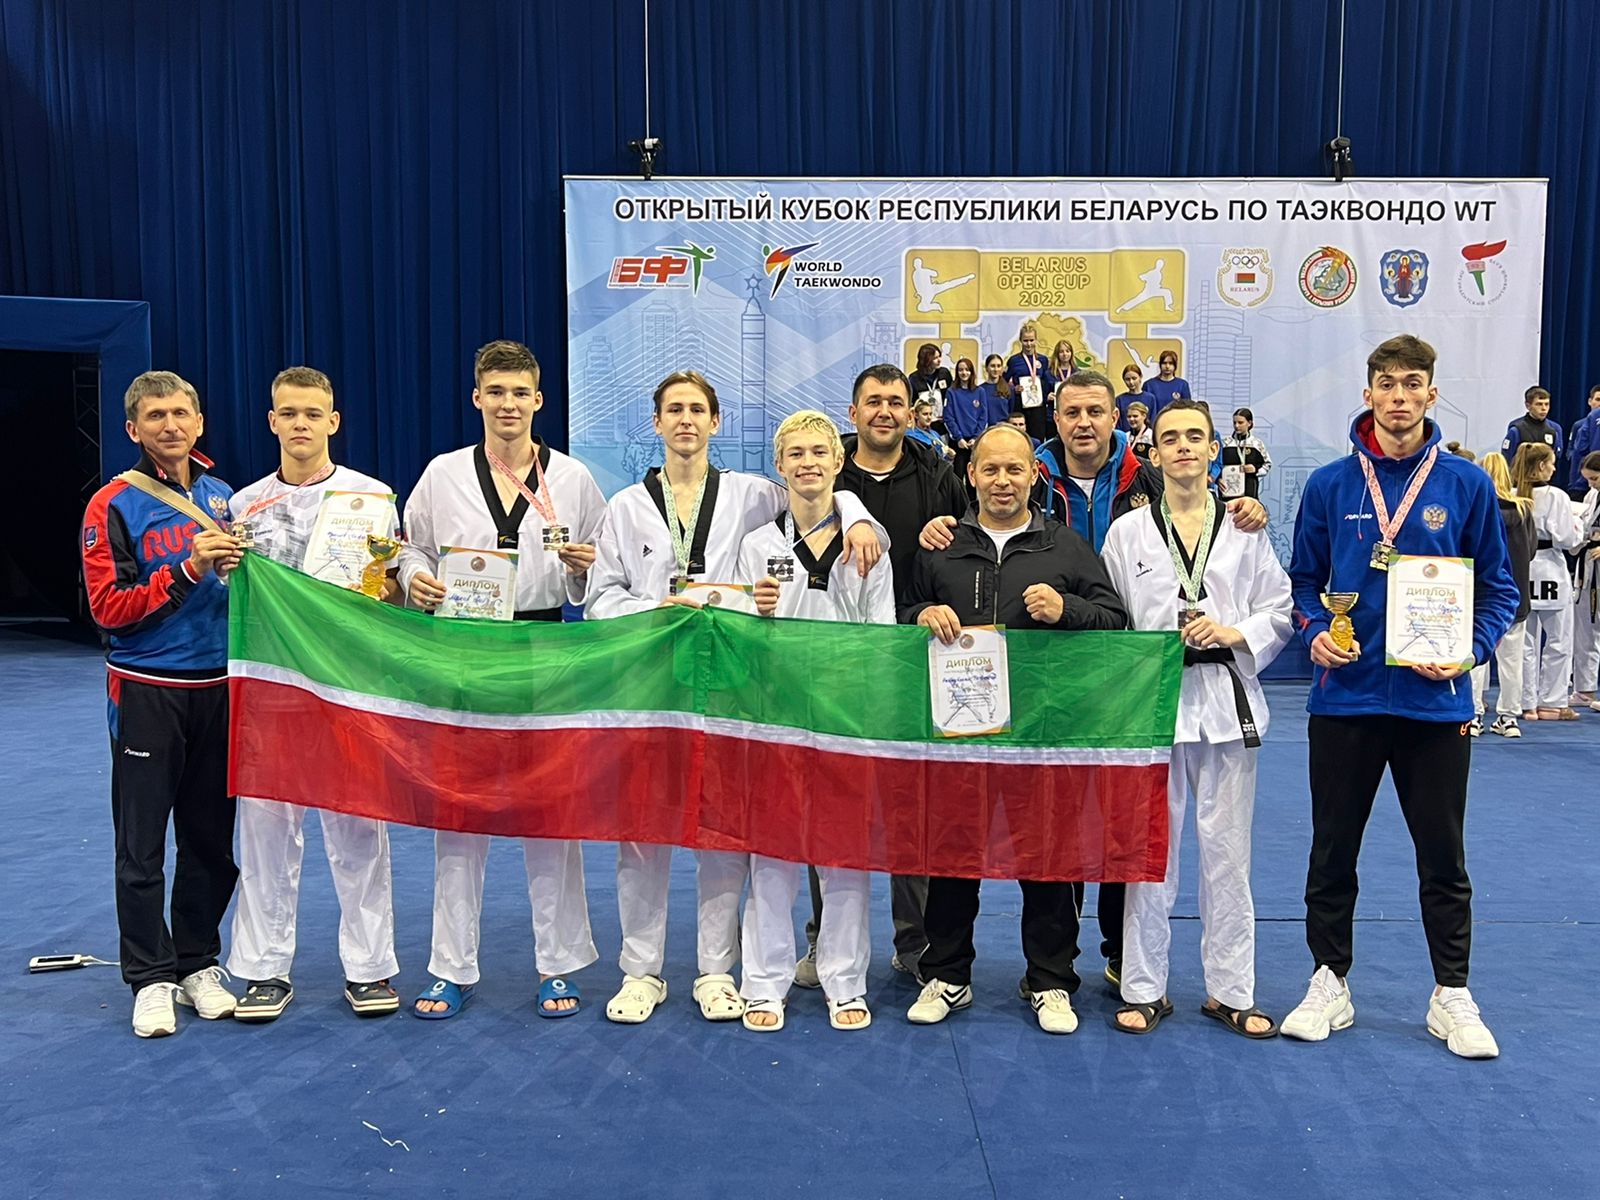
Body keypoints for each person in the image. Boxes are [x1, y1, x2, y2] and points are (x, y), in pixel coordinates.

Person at [928, 369, 1267, 986]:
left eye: (1095, 412)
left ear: (1118, 420)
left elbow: (1112, 606)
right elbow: (915, 598)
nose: (1083, 423)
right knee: (1051, 830)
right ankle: (989, 969)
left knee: (1114, 829)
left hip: (1123, 683)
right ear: (1054, 422)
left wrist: (1243, 507)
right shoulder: (1035, 486)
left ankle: (1116, 959)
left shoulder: (1148, 485)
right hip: (1056, 687)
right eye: (1071, 412)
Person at [585, 370, 883, 1024]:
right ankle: (640, 971)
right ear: (657, 423)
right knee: (643, 831)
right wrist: (658, 609)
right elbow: (600, 600)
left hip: (730, 689)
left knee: (722, 832)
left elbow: (819, 490)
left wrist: (861, 517)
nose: (686, 420)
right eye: (674, 410)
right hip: (651, 684)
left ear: (715, 422)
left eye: (697, 409)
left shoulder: (752, 495)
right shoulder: (625, 507)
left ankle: (717, 970)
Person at [1284, 334, 1518, 1059]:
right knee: (1332, 852)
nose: (1398, 396)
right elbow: (1303, 582)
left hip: (1435, 705)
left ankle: (1452, 993)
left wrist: (1469, 651)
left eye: (1412, 383)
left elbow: (1499, 590)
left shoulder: (1466, 484)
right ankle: (1329, 980)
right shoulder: (1329, 484)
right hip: (1346, 700)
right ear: (1368, 394)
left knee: (1444, 858)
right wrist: (1316, 632)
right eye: (1386, 384)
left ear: (1431, 394)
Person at [398, 340, 606, 1020]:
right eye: (496, 392)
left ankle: (558, 962)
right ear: (477, 398)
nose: (508, 404)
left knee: (550, 810)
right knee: (460, 811)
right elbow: (410, 547)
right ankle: (449, 966)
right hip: (467, 645)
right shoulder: (442, 473)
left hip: (544, 643)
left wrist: (582, 569)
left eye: (520, 393)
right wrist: (415, 579)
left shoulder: (573, 477)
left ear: (539, 400)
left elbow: (601, 568)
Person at [901, 423, 1129, 1034]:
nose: (1002, 481)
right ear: (971, 475)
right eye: (991, 469)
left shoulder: (1067, 548)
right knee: (952, 857)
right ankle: (947, 974)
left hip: (1042, 732)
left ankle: (1051, 980)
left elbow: (1115, 620)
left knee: (1048, 857)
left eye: (1014, 469)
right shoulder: (940, 546)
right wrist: (922, 613)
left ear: (1034, 475)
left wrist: (1066, 608)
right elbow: (898, 614)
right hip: (957, 733)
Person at [1101, 399, 1293, 1038]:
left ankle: (1231, 991)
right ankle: (1142, 986)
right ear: (1153, 452)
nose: (1183, 446)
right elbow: (1112, 618)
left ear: (1214, 450)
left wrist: (1233, 631)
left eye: (1194, 437)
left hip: (1226, 700)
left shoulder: (1244, 526)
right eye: (1170, 438)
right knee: (1151, 851)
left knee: (1228, 852)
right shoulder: (1127, 532)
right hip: (1154, 704)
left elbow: (1279, 608)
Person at [227, 368, 402, 1022]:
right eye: (288, 413)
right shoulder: (241, 506)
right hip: (271, 686)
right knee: (267, 829)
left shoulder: (373, 497)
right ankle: (263, 969)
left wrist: (382, 587)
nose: (300, 424)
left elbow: (390, 588)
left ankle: (371, 968)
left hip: (346, 682)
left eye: (312, 413)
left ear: (334, 421)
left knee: (358, 827)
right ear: (271, 421)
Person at [80, 370, 243, 1037]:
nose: (170, 425)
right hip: (148, 689)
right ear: (133, 429)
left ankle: (197, 961)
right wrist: (187, 569)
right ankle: (149, 977)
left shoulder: (222, 496)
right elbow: (107, 609)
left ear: (199, 422)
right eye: (155, 416)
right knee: (142, 843)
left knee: (210, 839)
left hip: (219, 689)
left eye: (180, 413)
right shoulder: (112, 504)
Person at [795, 363, 966, 990]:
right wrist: (853, 510)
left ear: (911, 412)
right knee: (829, 806)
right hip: (833, 668)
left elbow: (969, 543)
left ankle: (914, 941)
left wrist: (945, 533)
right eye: (873, 402)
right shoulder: (827, 465)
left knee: (909, 805)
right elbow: (792, 505)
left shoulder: (939, 476)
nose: (885, 412)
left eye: (896, 402)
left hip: (912, 658)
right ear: (853, 411)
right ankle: (823, 939)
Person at [734, 410, 894, 1033]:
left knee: (845, 855)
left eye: (818, 453)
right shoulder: (757, 545)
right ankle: (764, 982)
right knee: (772, 854)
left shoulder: (868, 543)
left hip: (845, 715)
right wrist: (752, 611)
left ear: (838, 462)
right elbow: (738, 639)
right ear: (779, 466)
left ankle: (844, 980)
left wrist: (870, 714)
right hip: (776, 714)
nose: (807, 463)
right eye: (795, 454)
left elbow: (882, 636)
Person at [1510, 442, 1585, 721]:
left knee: (1523, 642)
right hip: (1551, 568)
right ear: (1541, 465)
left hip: (1521, 569)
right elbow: (1567, 538)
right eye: (1551, 463)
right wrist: (1579, 528)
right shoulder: (1556, 496)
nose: (1554, 468)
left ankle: (1525, 702)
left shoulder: (1512, 495)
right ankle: (1552, 703)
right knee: (1559, 641)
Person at [1471, 452, 1536, 738]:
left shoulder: (1478, 510)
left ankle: (1474, 715)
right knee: (1512, 660)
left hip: (1480, 594)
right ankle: (1509, 717)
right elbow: (1531, 550)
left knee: (1476, 656)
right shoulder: (1524, 510)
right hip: (1515, 595)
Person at [1570, 452, 1600, 707]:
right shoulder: (1591, 496)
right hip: (1588, 565)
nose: (1591, 484)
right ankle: (1584, 690)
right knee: (1585, 631)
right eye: (1588, 480)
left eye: (1595, 479)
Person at [1005, 320, 1056, 443]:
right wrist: (1014, 389)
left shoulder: (1043, 360)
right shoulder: (1014, 360)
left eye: (1031, 340)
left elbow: (1047, 382)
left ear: (1036, 340)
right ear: (1020, 341)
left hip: (1038, 406)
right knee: (1018, 439)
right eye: (1025, 340)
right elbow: (1003, 382)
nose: (1028, 344)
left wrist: (1048, 395)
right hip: (1020, 405)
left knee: (1037, 440)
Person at [1502, 385, 1565, 470]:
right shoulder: (1516, 429)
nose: (1544, 408)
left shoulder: (1555, 429)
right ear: (1528, 406)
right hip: (1521, 476)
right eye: (1539, 404)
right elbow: (1507, 458)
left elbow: (1557, 456)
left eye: (1547, 404)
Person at [944, 357, 986, 482]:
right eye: (961, 370)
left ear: (971, 372)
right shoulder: (951, 392)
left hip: (974, 442)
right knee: (957, 478)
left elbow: (983, 417)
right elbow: (948, 417)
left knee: (973, 478)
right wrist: (958, 438)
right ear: (957, 372)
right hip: (958, 442)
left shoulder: (980, 392)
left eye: (967, 370)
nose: (964, 373)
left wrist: (976, 438)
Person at [1221, 409, 1273, 501]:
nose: (1237, 426)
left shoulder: (1256, 444)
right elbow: (1216, 465)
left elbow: (1267, 464)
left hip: (1249, 494)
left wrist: (1255, 469)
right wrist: (1218, 479)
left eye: (1240, 422)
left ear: (1249, 423)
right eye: (1234, 423)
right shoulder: (1225, 443)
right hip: (1227, 494)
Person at [907, 342, 953, 431]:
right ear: (926, 360)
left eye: (939, 356)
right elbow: (912, 404)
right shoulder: (914, 379)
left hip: (943, 424)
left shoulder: (944, 373)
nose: (939, 360)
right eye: (935, 358)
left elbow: (951, 397)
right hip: (922, 427)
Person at [1567, 386, 1600, 497]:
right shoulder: (1590, 419)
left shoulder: (1593, 416)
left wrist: (1576, 485)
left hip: (1587, 481)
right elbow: (1578, 451)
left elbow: (1580, 450)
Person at [1143, 349, 1190, 421]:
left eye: (1171, 363)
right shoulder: (1149, 385)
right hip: (1154, 424)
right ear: (1160, 365)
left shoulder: (1183, 385)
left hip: (1176, 423)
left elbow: (1187, 409)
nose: (1167, 366)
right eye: (1164, 363)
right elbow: (1144, 410)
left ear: (1175, 366)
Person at [978, 354, 1013, 430]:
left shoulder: (1009, 389)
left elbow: (1012, 413)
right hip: (985, 431)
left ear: (1002, 368)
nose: (996, 369)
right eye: (992, 366)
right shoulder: (979, 390)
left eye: (998, 366)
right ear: (986, 368)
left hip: (1005, 429)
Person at [1116, 364, 1147, 431]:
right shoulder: (1119, 400)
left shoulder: (1150, 398)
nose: (1131, 382)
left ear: (1140, 377)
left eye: (1134, 378)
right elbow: (1117, 423)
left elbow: (1152, 421)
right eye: (1127, 379)